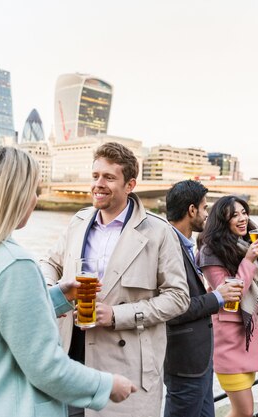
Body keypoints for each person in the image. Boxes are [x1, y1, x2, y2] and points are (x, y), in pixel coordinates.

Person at [0, 146, 136, 417]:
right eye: (33, 189)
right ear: (13, 195)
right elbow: (46, 369)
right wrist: (108, 384)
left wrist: (57, 296)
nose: (35, 198)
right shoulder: (16, 264)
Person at [40, 142, 190, 417]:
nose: (99, 184)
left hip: (127, 367)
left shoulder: (159, 232)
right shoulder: (78, 221)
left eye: (109, 177)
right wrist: (55, 293)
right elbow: (49, 263)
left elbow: (179, 298)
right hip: (70, 361)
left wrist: (117, 314)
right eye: (96, 175)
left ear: (130, 184)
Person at [163, 180, 243, 417]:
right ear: (191, 210)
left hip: (200, 361)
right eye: (205, 208)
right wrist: (217, 298)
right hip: (184, 361)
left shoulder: (184, 244)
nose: (207, 214)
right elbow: (172, 307)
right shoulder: (168, 245)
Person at [197, 195, 258, 417]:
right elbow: (231, 293)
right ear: (222, 220)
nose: (242, 219)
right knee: (244, 411)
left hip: (246, 339)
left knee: (241, 411)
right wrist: (249, 261)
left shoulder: (244, 244)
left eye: (243, 212)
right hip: (229, 342)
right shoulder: (209, 252)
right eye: (234, 215)